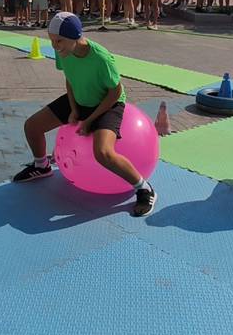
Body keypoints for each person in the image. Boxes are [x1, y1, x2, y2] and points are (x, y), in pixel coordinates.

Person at [14, 12, 157, 216]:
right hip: (80, 99)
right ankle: (42, 166)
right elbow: (70, 78)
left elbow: (115, 92)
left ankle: (144, 188)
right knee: (32, 126)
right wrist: (73, 109)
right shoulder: (63, 51)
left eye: (59, 41)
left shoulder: (101, 58)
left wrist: (89, 120)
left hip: (108, 103)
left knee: (103, 153)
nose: (55, 46)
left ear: (75, 37)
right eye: (52, 40)